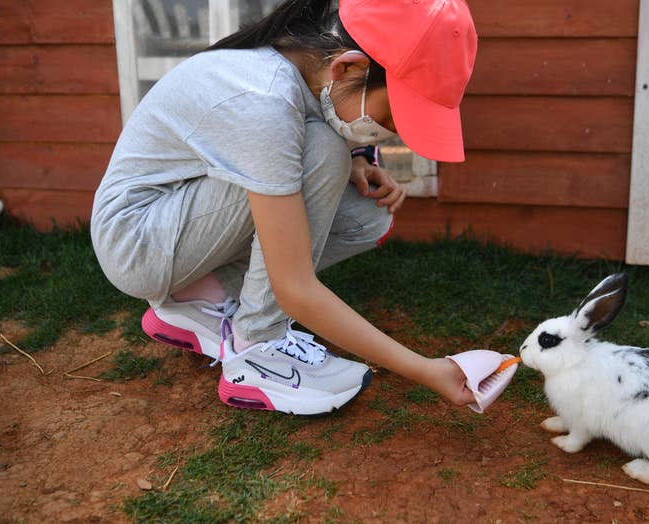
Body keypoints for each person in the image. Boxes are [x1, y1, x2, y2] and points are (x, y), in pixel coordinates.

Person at [90, 0, 478, 415]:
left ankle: (200, 296)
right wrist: (424, 369)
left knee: (368, 218)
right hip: (137, 241)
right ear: (347, 68)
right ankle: (257, 347)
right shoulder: (263, 99)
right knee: (327, 152)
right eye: (393, 117)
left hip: (178, 219)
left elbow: (312, 124)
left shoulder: (304, 64)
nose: (387, 133)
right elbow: (295, 289)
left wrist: (359, 158)